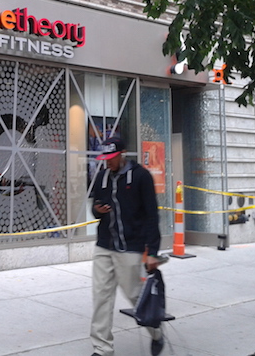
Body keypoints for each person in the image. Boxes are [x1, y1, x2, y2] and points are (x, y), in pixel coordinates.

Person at [90, 137, 164, 356]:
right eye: (105, 159)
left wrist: (152, 252)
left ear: (122, 154)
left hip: (130, 246)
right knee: (101, 297)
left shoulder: (141, 176)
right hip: (104, 246)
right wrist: (98, 211)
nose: (108, 163)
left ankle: (156, 331)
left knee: (135, 296)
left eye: (112, 158)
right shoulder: (102, 177)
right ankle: (102, 348)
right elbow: (95, 207)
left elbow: (152, 215)